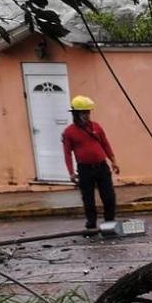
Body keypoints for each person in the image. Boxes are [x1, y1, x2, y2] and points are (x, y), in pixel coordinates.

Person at [62, 95, 121, 230]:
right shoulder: (69, 132)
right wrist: (71, 173)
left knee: (109, 196)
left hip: (101, 166)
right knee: (88, 199)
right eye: (83, 113)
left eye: (88, 112)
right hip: (85, 169)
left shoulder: (96, 127)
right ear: (76, 114)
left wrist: (114, 161)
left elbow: (105, 144)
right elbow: (67, 154)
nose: (87, 115)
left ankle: (109, 222)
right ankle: (91, 223)